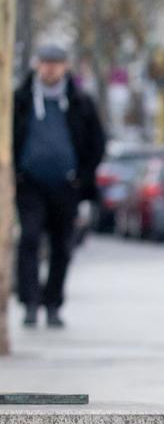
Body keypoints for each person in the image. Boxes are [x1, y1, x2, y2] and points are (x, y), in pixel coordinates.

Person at [12, 45, 106, 329]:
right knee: (28, 239)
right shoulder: (21, 99)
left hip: (67, 185)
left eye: (55, 63)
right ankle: (29, 302)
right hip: (29, 184)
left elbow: (96, 143)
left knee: (61, 246)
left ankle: (52, 303)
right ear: (37, 65)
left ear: (65, 66)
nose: (50, 68)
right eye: (45, 63)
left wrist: (83, 177)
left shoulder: (80, 102)